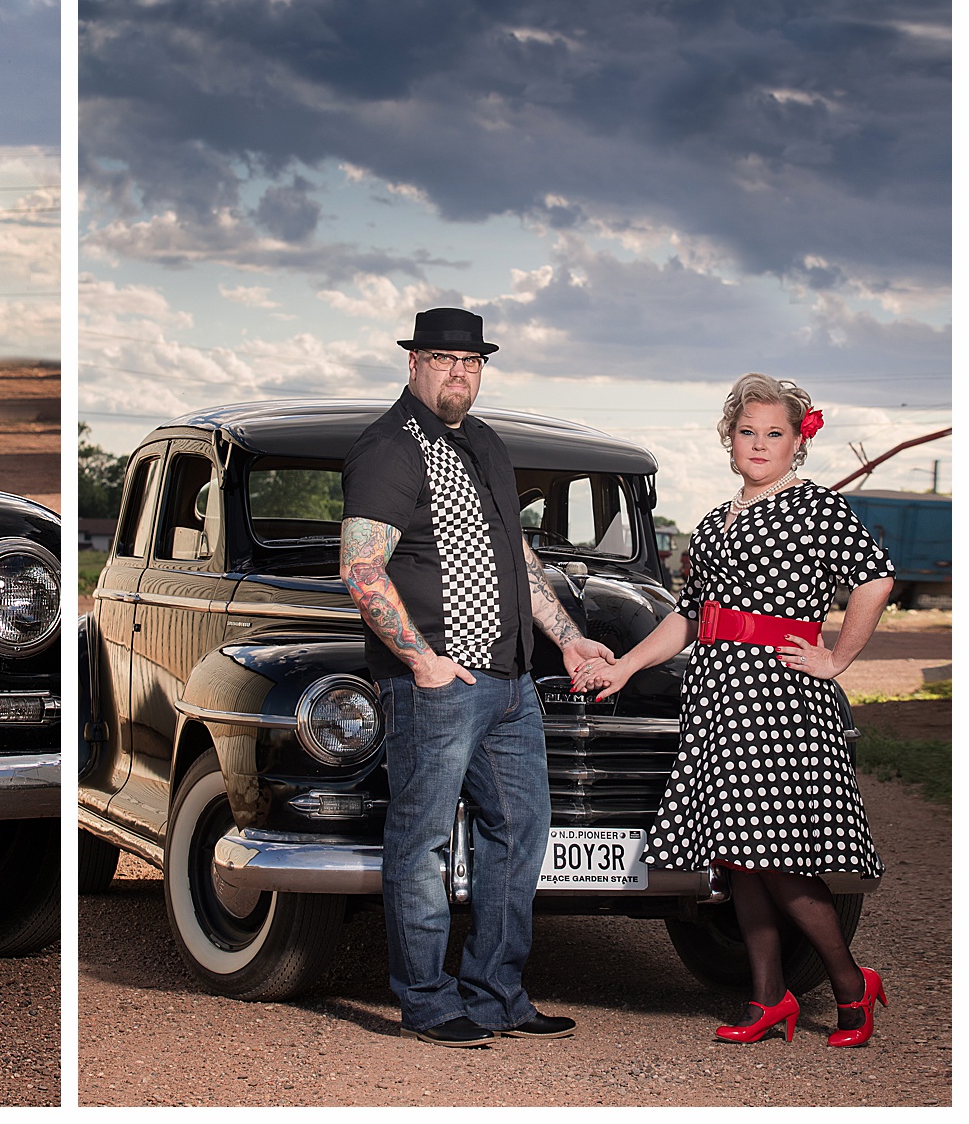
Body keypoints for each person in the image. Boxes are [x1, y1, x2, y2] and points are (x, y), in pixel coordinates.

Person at [573, 374, 894, 1047]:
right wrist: (625, 665)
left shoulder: (814, 508)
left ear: (797, 441)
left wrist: (837, 658)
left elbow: (875, 577)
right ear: (729, 437)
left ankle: (849, 985)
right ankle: (767, 998)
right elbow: (690, 618)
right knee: (738, 858)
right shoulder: (719, 518)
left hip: (778, 699)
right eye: (747, 431)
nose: (758, 443)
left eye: (773, 433)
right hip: (719, 694)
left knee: (775, 857)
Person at [339, 307, 612, 1048]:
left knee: (521, 830)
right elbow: (362, 569)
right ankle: (427, 1000)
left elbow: (517, 561)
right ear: (413, 363)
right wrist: (422, 661)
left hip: (510, 683)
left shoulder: (485, 442)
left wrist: (571, 639)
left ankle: (495, 993)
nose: (459, 372)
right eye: (442, 358)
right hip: (438, 685)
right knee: (422, 842)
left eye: (472, 362)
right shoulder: (389, 448)